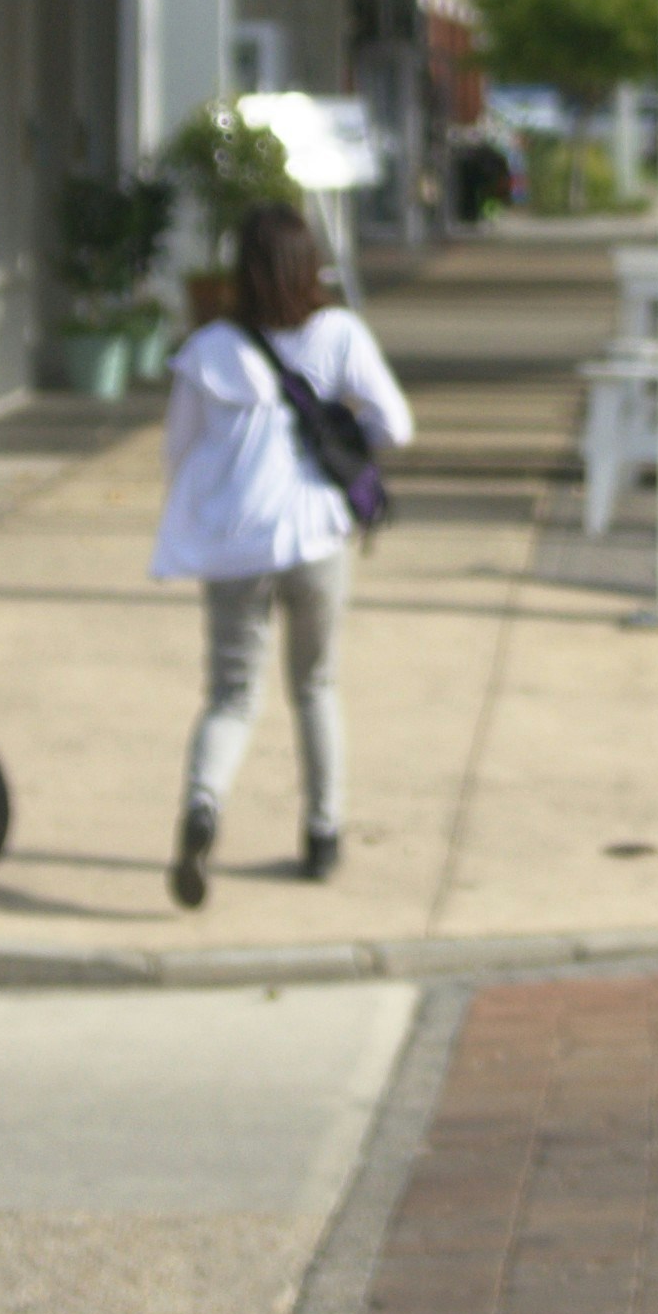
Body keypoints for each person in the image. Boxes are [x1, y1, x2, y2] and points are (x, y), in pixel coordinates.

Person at [154, 200, 412, 909]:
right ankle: (323, 835)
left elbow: (178, 452)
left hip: (238, 545)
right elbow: (397, 424)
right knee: (315, 686)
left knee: (232, 697)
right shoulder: (338, 335)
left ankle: (204, 806)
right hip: (317, 537)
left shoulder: (209, 349)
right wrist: (337, 425)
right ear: (308, 265)